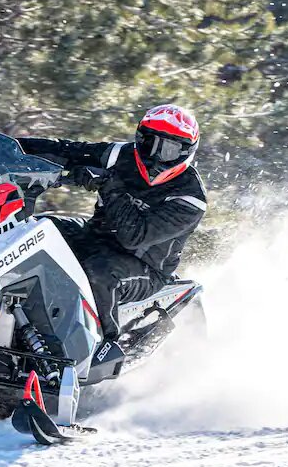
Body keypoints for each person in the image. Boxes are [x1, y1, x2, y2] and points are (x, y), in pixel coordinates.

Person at [17, 104, 207, 342]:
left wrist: (109, 184)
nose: (156, 156)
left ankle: (101, 349)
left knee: (100, 273)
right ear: (140, 139)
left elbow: (135, 236)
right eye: (150, 144)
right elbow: (65, 150)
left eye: (168, 149)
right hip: (94, 238)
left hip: (144, 267)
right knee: (37, 231)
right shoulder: (119, 155)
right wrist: (12, 148)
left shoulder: (190, 198)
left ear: (185, 152)